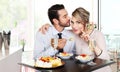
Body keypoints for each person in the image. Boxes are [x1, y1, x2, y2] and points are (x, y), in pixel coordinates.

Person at [40, 7, 112, 72]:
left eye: (78, 22)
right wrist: (49, 26)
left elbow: (105, 59)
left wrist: (90, 41)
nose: (74, 26)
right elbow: (58, 29)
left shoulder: (97, 34)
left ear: (86, 22)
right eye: (72, 22)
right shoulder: (74, 33)